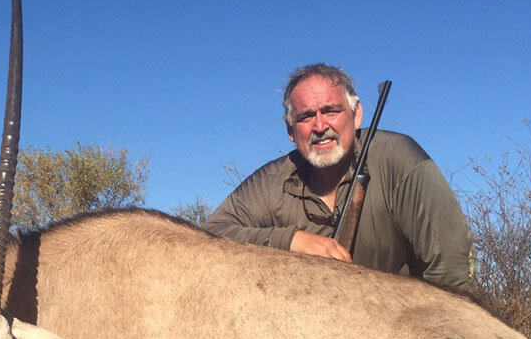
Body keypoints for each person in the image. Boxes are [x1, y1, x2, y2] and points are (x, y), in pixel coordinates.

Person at [203, 63, 475, 289]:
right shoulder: (271, 181)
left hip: (400, 326)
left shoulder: (400, 160)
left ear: (356, 115)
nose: (320, 126)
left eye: (331, 111)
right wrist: (291, 241)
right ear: (290, 131)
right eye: (306, 116)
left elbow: (450, 268)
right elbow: (209, 235)